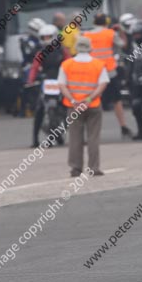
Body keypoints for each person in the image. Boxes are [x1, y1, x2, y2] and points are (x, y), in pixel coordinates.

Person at [58, 36, 108, 177]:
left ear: (76, 48)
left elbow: (62, 85)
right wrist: (90, 99)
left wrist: (73, 100)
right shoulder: (98, 64)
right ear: (90, 48)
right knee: (93, 137)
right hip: (93, 105)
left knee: (75, 138)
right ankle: (93, 168)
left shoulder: (67, 64)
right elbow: (102, 84)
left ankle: (75, 168)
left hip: (74, 106)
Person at [84, 13, 132, 139]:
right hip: (109, 72)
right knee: (116, 100)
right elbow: (123, 45)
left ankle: (89, 130)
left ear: (94, 22)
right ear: (106, 22)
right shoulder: (111, 33)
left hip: (92, 72)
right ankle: (123, 126)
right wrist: (121, 31)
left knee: (90, 100)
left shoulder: (87, 35)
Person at [27, 24, 70, 148]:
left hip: (61, 81)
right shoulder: (40, 53)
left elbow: (69, 64)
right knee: (39, 108)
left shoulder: (63, 51)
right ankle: (35, 139)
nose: (46, 40)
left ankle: (78, 135)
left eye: (49, 37)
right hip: (47, 81)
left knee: (70, 106)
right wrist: (30, 81)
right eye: (44, 37)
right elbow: (34, 68)